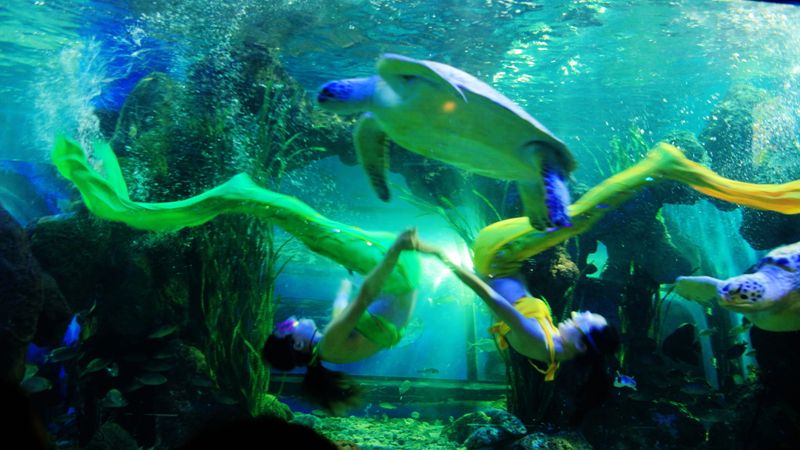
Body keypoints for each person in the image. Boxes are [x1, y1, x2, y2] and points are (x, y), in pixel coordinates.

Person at [262, 228, 421, 413]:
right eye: (291, 326)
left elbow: (340, 312)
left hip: (399, 302)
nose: (295, 319)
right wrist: (395, 250)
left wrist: (344, 286)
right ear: (297, 344)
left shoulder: (328, 349)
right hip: (398, 291)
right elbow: (364, 298)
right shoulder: (329, 344)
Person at [412, 241, 619, 382]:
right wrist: (520, 269)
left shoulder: (540, 339)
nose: (574, 315)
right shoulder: (557, 346)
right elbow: (524, 299)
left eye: (582, 321)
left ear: (581, 345)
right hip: (511, 269)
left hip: (497, 270)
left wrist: (443, 258)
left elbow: (491, 297)